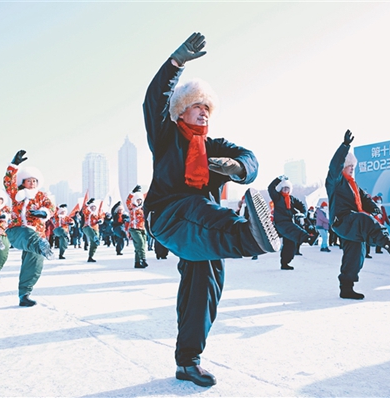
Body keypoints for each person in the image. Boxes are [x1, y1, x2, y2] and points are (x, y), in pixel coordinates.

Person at [142, 32, 279, 387]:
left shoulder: (214, 145)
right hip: (169, 214)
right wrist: (175, 64)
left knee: (205, 286)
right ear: (181, 111)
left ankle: (188, 361)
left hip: (201, 226)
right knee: (197, 208)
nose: (203, 113)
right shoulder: (166, 134)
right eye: (196, 107)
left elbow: (251, 158)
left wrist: (238, 169)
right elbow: (153, 101)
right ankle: (247, 234)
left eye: (207, 108)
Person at [326, 130, 390, 300]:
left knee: (356, 256)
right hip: (343, 220)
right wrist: (345, 146)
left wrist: (374, 208)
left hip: (353, 224)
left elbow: (365, 199)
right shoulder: (335, 181)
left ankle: (347, 288)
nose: (352, 168)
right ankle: (387, 243)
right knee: (363, 218)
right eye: (349, 165)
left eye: (354, 166)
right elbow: (334, 166)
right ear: (343, 167)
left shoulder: (354, 185)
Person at [3, 150, 55, 307]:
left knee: (34, 264)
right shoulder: (16, 194)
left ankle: (24, 294)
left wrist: (43, 212)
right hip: (17, 230)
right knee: (28, 235)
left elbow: (51, 207)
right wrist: (14, 165)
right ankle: (41, 246)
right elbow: (8, 182)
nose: (32, 183)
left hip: (37, 233)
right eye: (28, 181)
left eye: (34, 181)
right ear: (23, 182)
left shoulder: (41, 196)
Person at [268, 176, 318, 270]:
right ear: (281, 189)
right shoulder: (277, 197)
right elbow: (270, 188)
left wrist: (302, 213)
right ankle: (308, 238)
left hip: (289, 221)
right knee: (294, 230)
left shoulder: (291, 199)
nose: (286, 190)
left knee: (291, 243)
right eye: (284, 188)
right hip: (280, 223)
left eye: (288, 188)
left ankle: (285, 263)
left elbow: (302, 205)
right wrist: (278, 179)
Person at [126, 185, 148, 268]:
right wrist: (133, 193)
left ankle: (137, 262)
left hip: (142, 229)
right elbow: (128, 201)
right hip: (134, 229)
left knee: (139, 246)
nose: (139, 202)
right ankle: (143, 259)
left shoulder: (143, 209)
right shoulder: (132, 208)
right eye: (137, 200)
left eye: (140, 200)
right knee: (140, 243)